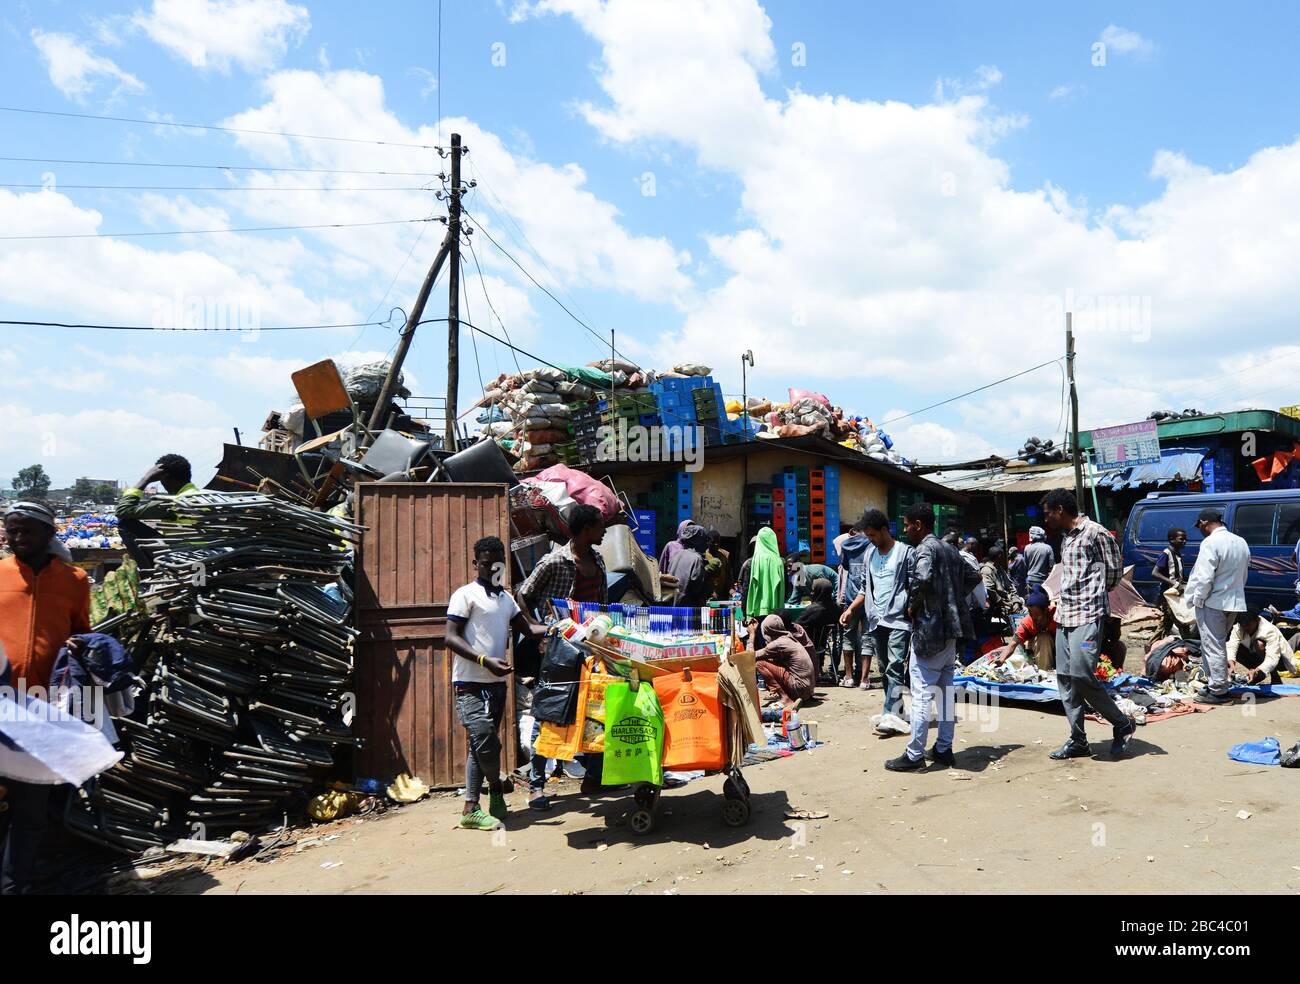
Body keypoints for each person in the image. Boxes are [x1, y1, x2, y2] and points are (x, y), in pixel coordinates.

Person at [0, 501, 91, 893]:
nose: (19, 538)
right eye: (12, 531)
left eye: (27, 531)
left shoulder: (75, 581)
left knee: (30, 810)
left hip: (42, 710)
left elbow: (82, 633)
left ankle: (13, 886)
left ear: (49, 533)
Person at [447, 536, 547, 831]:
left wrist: (558, 628)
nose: (491, 568)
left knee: (480, 745)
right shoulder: (464, 595)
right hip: (469, 680)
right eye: (485, 563)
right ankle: (487, 794)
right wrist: (483, 660)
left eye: (496, 563)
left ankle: (477, 805)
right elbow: (450, 637)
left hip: (497, 684)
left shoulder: (506, 599)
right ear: (475, 563)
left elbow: (528, 630)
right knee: (485, 739)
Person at [517, 504, 607, 806]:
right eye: (599, 526)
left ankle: (594, 779)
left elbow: (602, 606)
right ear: (584, 530)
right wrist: (537, 631)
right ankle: (536, 785)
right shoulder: (554, 561)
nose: (604, 531)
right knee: (548, 714)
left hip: (591, 652)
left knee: (596, 713)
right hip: (558, 654)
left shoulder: (598, 560)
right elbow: (523, 595)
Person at [1039, 488, 1134, 760]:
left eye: (1048, 514)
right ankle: (1078, 740)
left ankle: (1121, 722)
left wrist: (1093, 595)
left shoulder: (1096, 532)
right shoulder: (1066, 539)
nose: (1046, 520)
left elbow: (1114, 572)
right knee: (1066, 680)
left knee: (1082, 674)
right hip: (1065, 615)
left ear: (1060, 510)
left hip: (1088, 614)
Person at [885, 503, 978, 772]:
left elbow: (922, 577)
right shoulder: (949, 548)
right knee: (946, 693)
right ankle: (944, 749)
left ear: (918, 524)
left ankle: (915, 754)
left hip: (930, 632)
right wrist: (952, 598)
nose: (904, 530)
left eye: (906, 524)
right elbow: (972, 575)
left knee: (923, 694)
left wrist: (915, 605)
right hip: (952, 631)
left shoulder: (924, 548)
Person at [839, 509, 913, 719]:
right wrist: (851, 609)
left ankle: (889, 714)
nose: (870, 540)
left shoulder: (904, 553)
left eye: (872, 535)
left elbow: (915, 585)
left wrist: (911, 609)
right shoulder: (870, 555)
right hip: (876, 620)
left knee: (895, 666)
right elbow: (864, 588)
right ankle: (897, 711)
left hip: (898, 620)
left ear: (884, 530)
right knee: (883, 668)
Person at [1184, 507, 1250, 704]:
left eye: (1200, 526)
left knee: (1213, 645)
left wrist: (1198, 599)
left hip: (1213, 601)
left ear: (1204, 523)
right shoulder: (1240, 542)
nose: (1200, 530)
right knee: (1215, 644)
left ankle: (1219, 690)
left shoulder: (1210, 542)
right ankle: (1216, 683)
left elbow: (1204, 577)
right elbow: (1244, 574)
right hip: (1233, 600)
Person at [115, 454, 200, 569]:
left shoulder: (174, 502)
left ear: (164, 476)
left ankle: (151, 573)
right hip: (212, 553)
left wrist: (145, 479)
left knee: (125, 524)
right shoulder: (206, 497)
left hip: (185, 556)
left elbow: (123, 511)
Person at [834, 520, 872, 687]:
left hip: (850, 598)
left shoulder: (846, 545)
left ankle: (848, 677)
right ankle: (864, 679)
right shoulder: (873, 544)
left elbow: (846, 567)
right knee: (867, 638)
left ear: (852, 531)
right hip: (870, 598)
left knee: (848, 637)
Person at [750, 614, 816, 708]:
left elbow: (750, 656)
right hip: (807, 691)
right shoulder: (788, 638)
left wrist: (752, 635)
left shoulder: (779, 644)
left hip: (800, 690)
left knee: (760, 664)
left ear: (767, 630)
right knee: (770, 659)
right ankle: (782, 694)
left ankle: (785, 699)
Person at [991, 587, 1056, 670]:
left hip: (1057, 648)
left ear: (1046, 610)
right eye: (1030, 613)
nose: (1033, 617)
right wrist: (1001, 659)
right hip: (1037, 650)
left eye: (1037, 614)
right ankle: (1044, 671)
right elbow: (1012, 644)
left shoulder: (1056, 616)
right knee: (1044, 638)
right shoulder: (1027, 622)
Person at [1226, 608, 1292, 686]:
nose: (1246, 628)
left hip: (1279, 662)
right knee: (1237, 649)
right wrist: (1231, 664)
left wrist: (1257, 670)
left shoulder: (1269, 630)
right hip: (1258, 657)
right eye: (1244, 626)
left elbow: (1272, 658)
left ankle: (1275, 678)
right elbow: (1232, 646)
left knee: (1259, 644)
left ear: (1257, 620)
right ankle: (1257, 675)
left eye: (1249, 625)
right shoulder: (1239, 627)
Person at [794, 577, 839, 672]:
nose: (811, 593)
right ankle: (819, 666)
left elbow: (796, 625)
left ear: (820, 592)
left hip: (806, 644)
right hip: (822, 644)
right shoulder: (836, 609)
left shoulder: (811, 610)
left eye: (813, 591)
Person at [742, 527, 786, 622]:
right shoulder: (780, 562)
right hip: (776, 613)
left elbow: (746, 588)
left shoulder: (753, 562)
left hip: (756, 613)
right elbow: (786, 589)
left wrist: (745, 612)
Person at [979, 545, 1026, 626]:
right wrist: (1004, 602)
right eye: (1004, 555)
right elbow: (989, 590)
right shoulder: (986, 570)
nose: (1006, 558)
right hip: (1000, 606)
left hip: (1010, 601)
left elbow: (1011, 587)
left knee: (1026, 610)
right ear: (999, 557)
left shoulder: (1000, 569)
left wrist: (1015, 601)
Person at [667, 523, 709, 606]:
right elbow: (697, 589)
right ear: (698, 540)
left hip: (672, 607)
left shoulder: (675, 556)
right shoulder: (697, 559)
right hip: (688, 611)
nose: (706, 544)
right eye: (704, 539)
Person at [1152, 527, 1187, 592]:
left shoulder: (1178, 555)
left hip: (1175, 591)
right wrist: (1172, 582)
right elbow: (1155, 573)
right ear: (1171, 539)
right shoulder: (1166, 553)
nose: (1184, 541)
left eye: (1185, 539)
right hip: (1167, 591)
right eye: (1181, 539)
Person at [703, 528, 732, 601]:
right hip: (707, 596)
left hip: (722, 594)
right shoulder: (703, 556)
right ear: (707, 541)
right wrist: (711, 591)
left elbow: (728, 575)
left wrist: (731, 590)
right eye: (713, 542)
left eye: (718, 542)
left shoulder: (725, 555)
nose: (716, 544)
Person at [1024, 526, 1054, 593]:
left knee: (1032, 601)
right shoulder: (1048, 548)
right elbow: (1052, 566)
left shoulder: (1027, 548)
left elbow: (1025, 565)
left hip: (1030, 580)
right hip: (1043, 581)